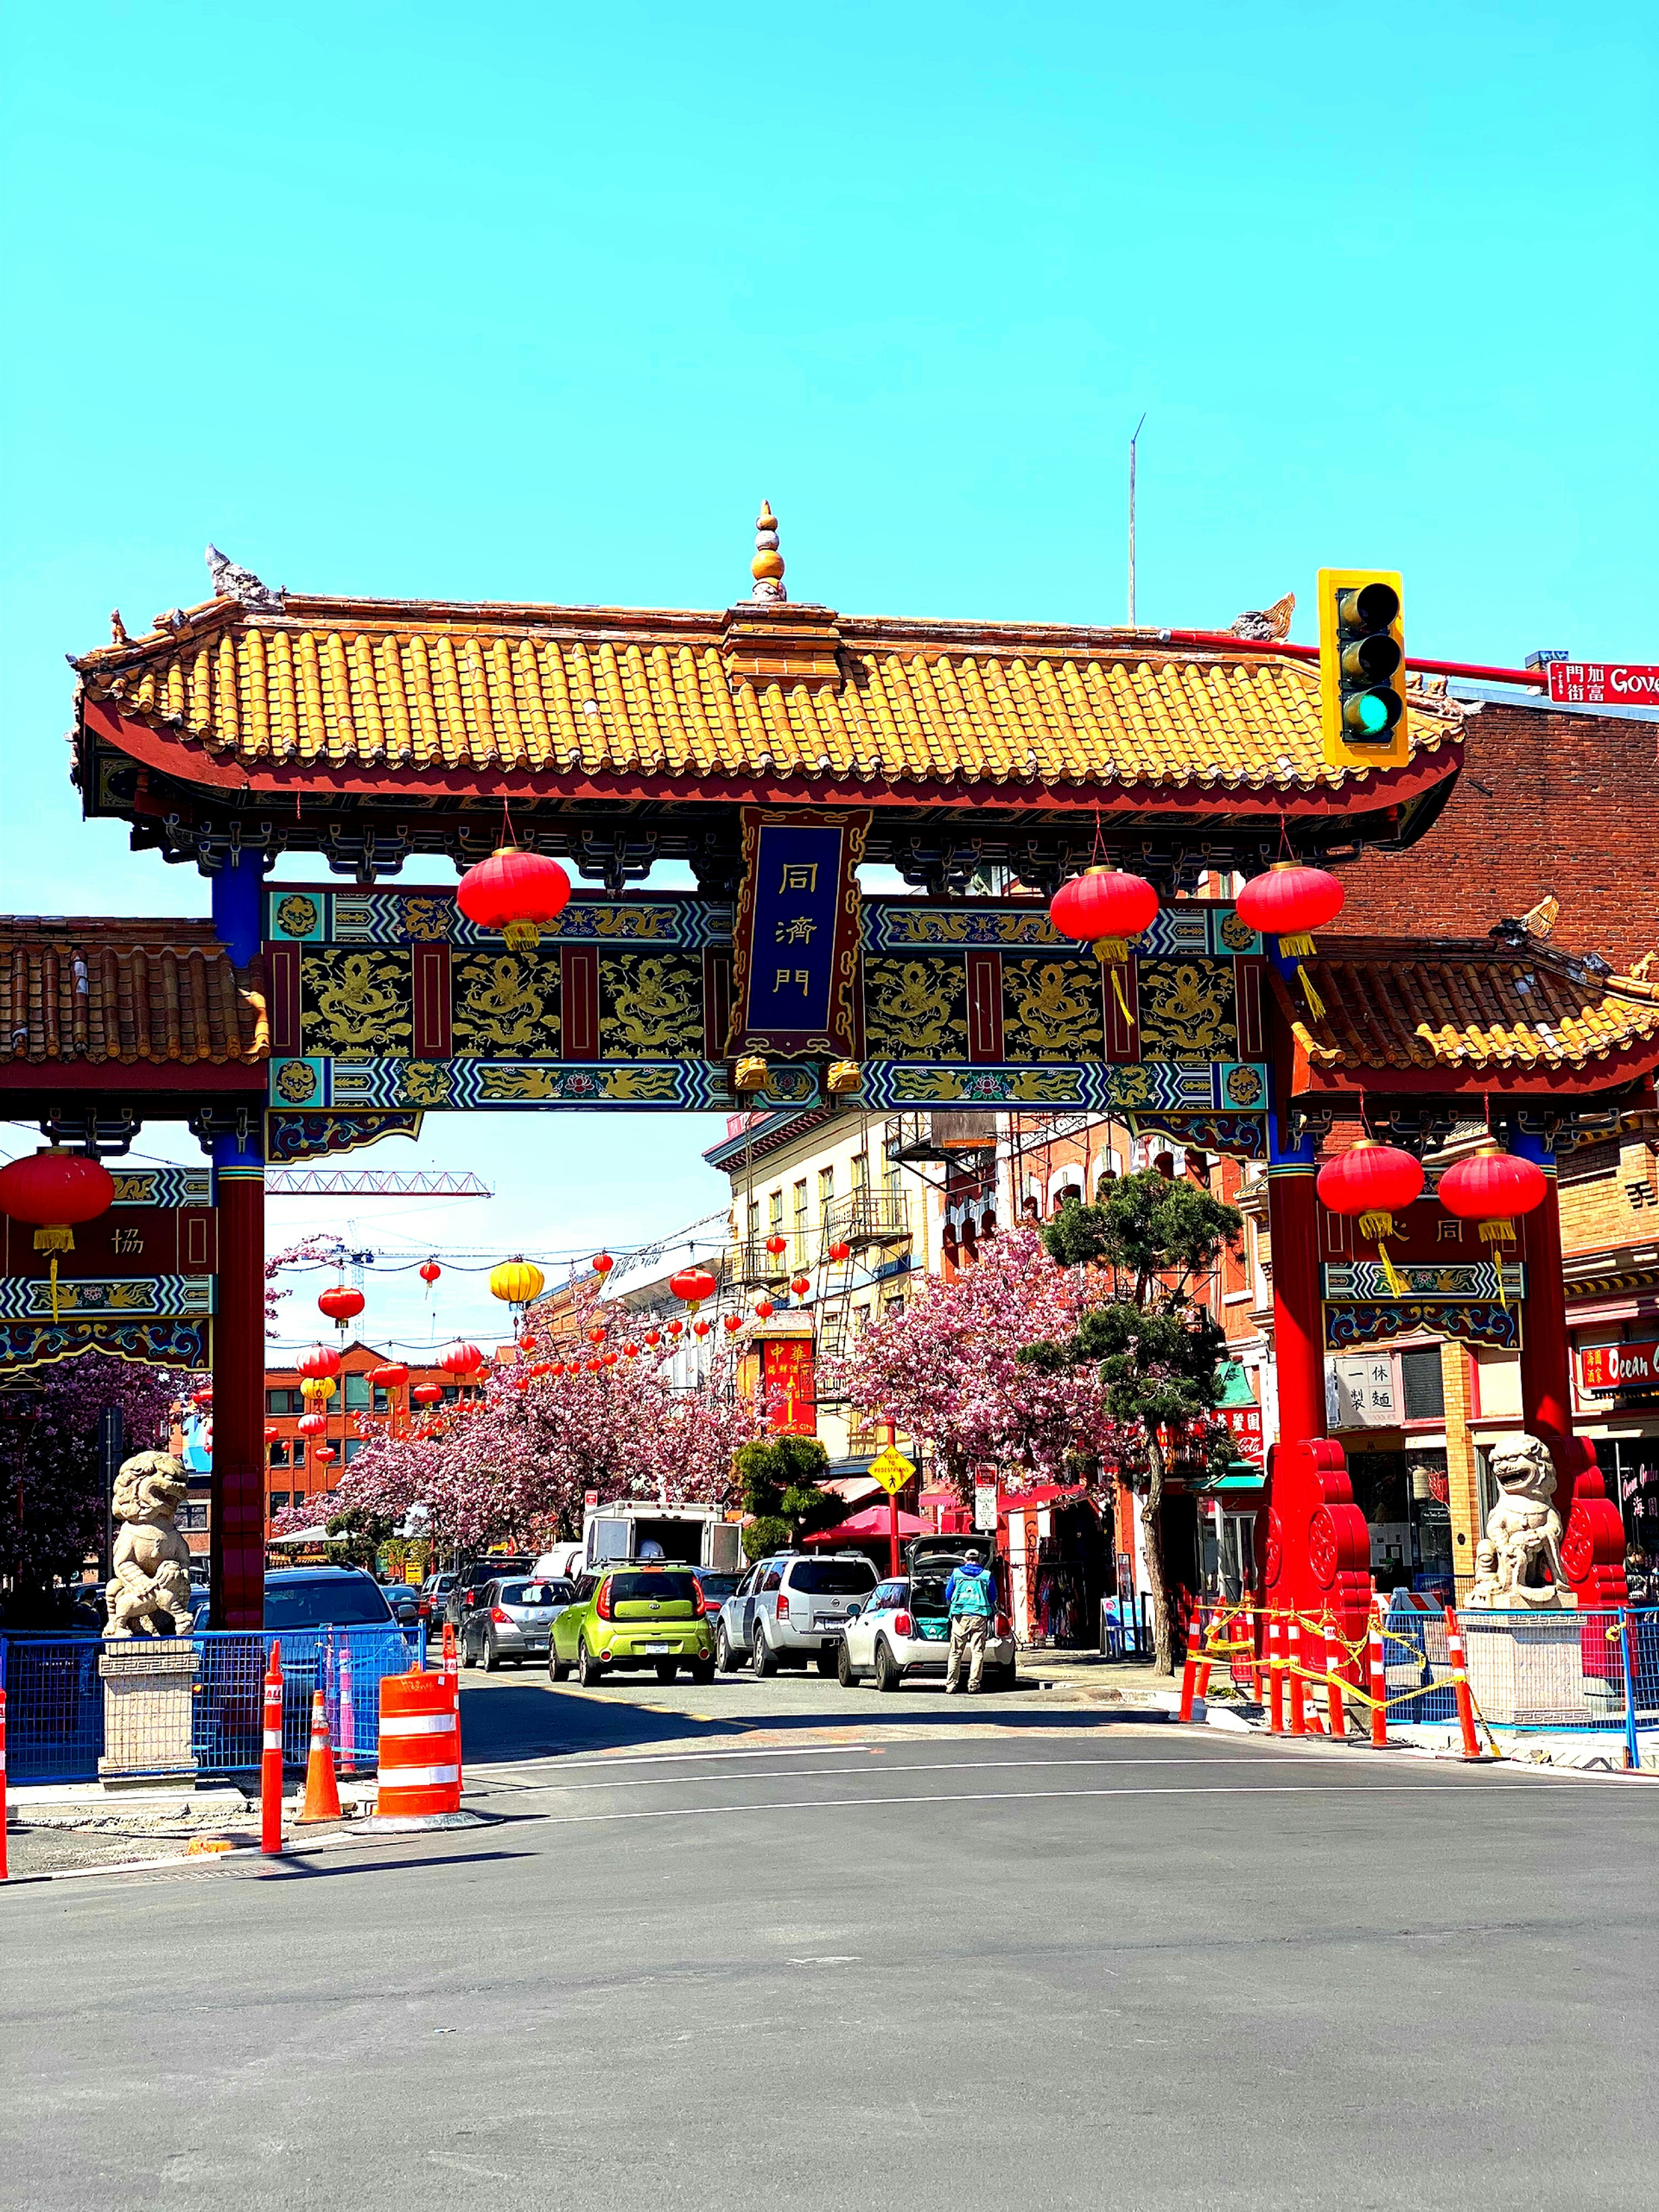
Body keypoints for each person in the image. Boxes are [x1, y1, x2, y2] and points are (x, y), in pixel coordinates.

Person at [944, 1547, 995, 1693]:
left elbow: (948, 1594)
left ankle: (951, 1685)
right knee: (978, 1651)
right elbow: (993, 1597)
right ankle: (973, 1685)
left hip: (960, 1616)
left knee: (956, 1652)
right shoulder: (987, 1575)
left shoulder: (957, 1573)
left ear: (966, 1560)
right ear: (979, 1560)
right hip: (980, 1616)